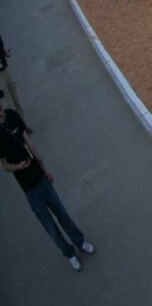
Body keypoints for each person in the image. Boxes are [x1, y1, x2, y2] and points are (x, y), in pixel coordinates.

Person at [1, 93, 95, 271]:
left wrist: (44, 167)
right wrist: (17, 167)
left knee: (62, 214)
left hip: (40, 177)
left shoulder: (12, 115)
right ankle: (69, 254)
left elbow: (29, 142)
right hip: (29, 189)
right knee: (50, 227)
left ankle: (80, 242)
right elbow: (4, 165)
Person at [0, 32, 24, 117]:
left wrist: (4, 52)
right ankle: (15, 128)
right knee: (8, 102)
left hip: (5, 68)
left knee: (16, 98)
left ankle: (23, 125)